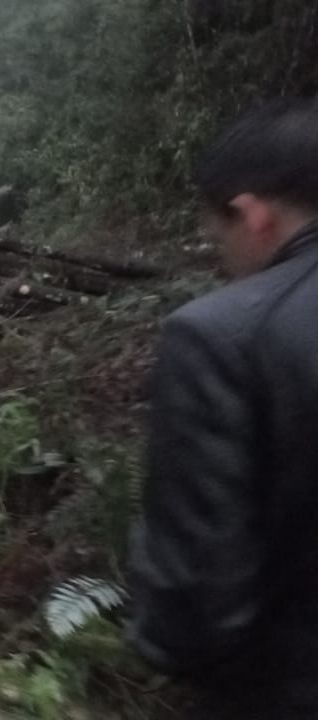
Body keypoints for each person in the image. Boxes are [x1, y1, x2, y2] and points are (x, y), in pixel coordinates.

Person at [127, 98, 318, 719]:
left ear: (251, 213)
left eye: (219, 237)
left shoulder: (220, 335)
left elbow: (198, 593)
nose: (224, 259)